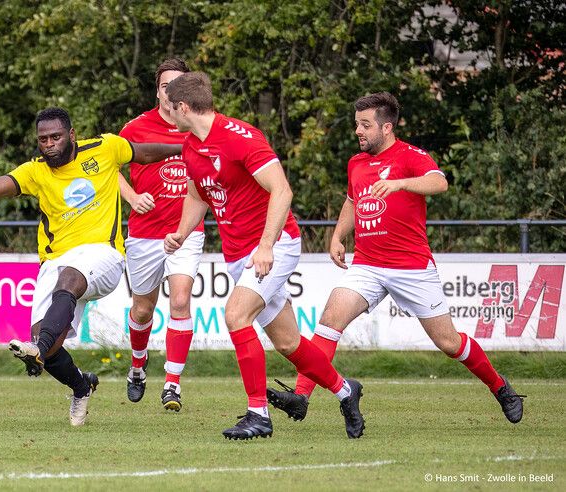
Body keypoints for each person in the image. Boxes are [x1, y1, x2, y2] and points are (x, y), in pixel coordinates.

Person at [267, 92, 526, 425]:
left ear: (386, 127)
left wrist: (400, 183)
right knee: (331, 320)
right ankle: (301, 397)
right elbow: (351, 201)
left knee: (448, 342)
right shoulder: (356, 163)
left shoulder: (410, 156)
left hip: (411, 267)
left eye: (365, 125)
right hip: (368, 265)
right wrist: (336, 236)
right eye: (356, 124)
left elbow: (440, 182)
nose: (358, 131)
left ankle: (500, 387)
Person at [163, 72, 365, 440]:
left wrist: (267, 245)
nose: (167, 115)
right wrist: (180, 232)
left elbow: (282, 190)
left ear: (183, 107)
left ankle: (258, 414)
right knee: (288, 342)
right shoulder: (191, 146)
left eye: (168, 108)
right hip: (239, 253)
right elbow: (196, 196)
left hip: (275, 245)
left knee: (236, 316)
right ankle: (346, 392)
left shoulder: (241, 138)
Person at [0, 107, 181, 426]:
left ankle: (37, 349)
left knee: (58, 305)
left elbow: (142, 153)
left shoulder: (104, 148)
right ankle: (81, 386)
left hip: (104, 255)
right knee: (50, 343)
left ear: (72, 135)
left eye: (56, 137)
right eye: (43, 139)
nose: (49, 144)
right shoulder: (36, 171)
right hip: (55, 261)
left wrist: (186, 146)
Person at [118, 58, 204, 412]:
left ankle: (172, 384)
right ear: (158, 90)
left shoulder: (198, 127)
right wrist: (133, 197)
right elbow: (109, 170)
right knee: (142, 308)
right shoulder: (136, 128)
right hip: (144, 234)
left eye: (179, 85)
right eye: (166, 85)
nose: (172, 92)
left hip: (186, 232)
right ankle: (138, 365)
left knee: (181, 300)